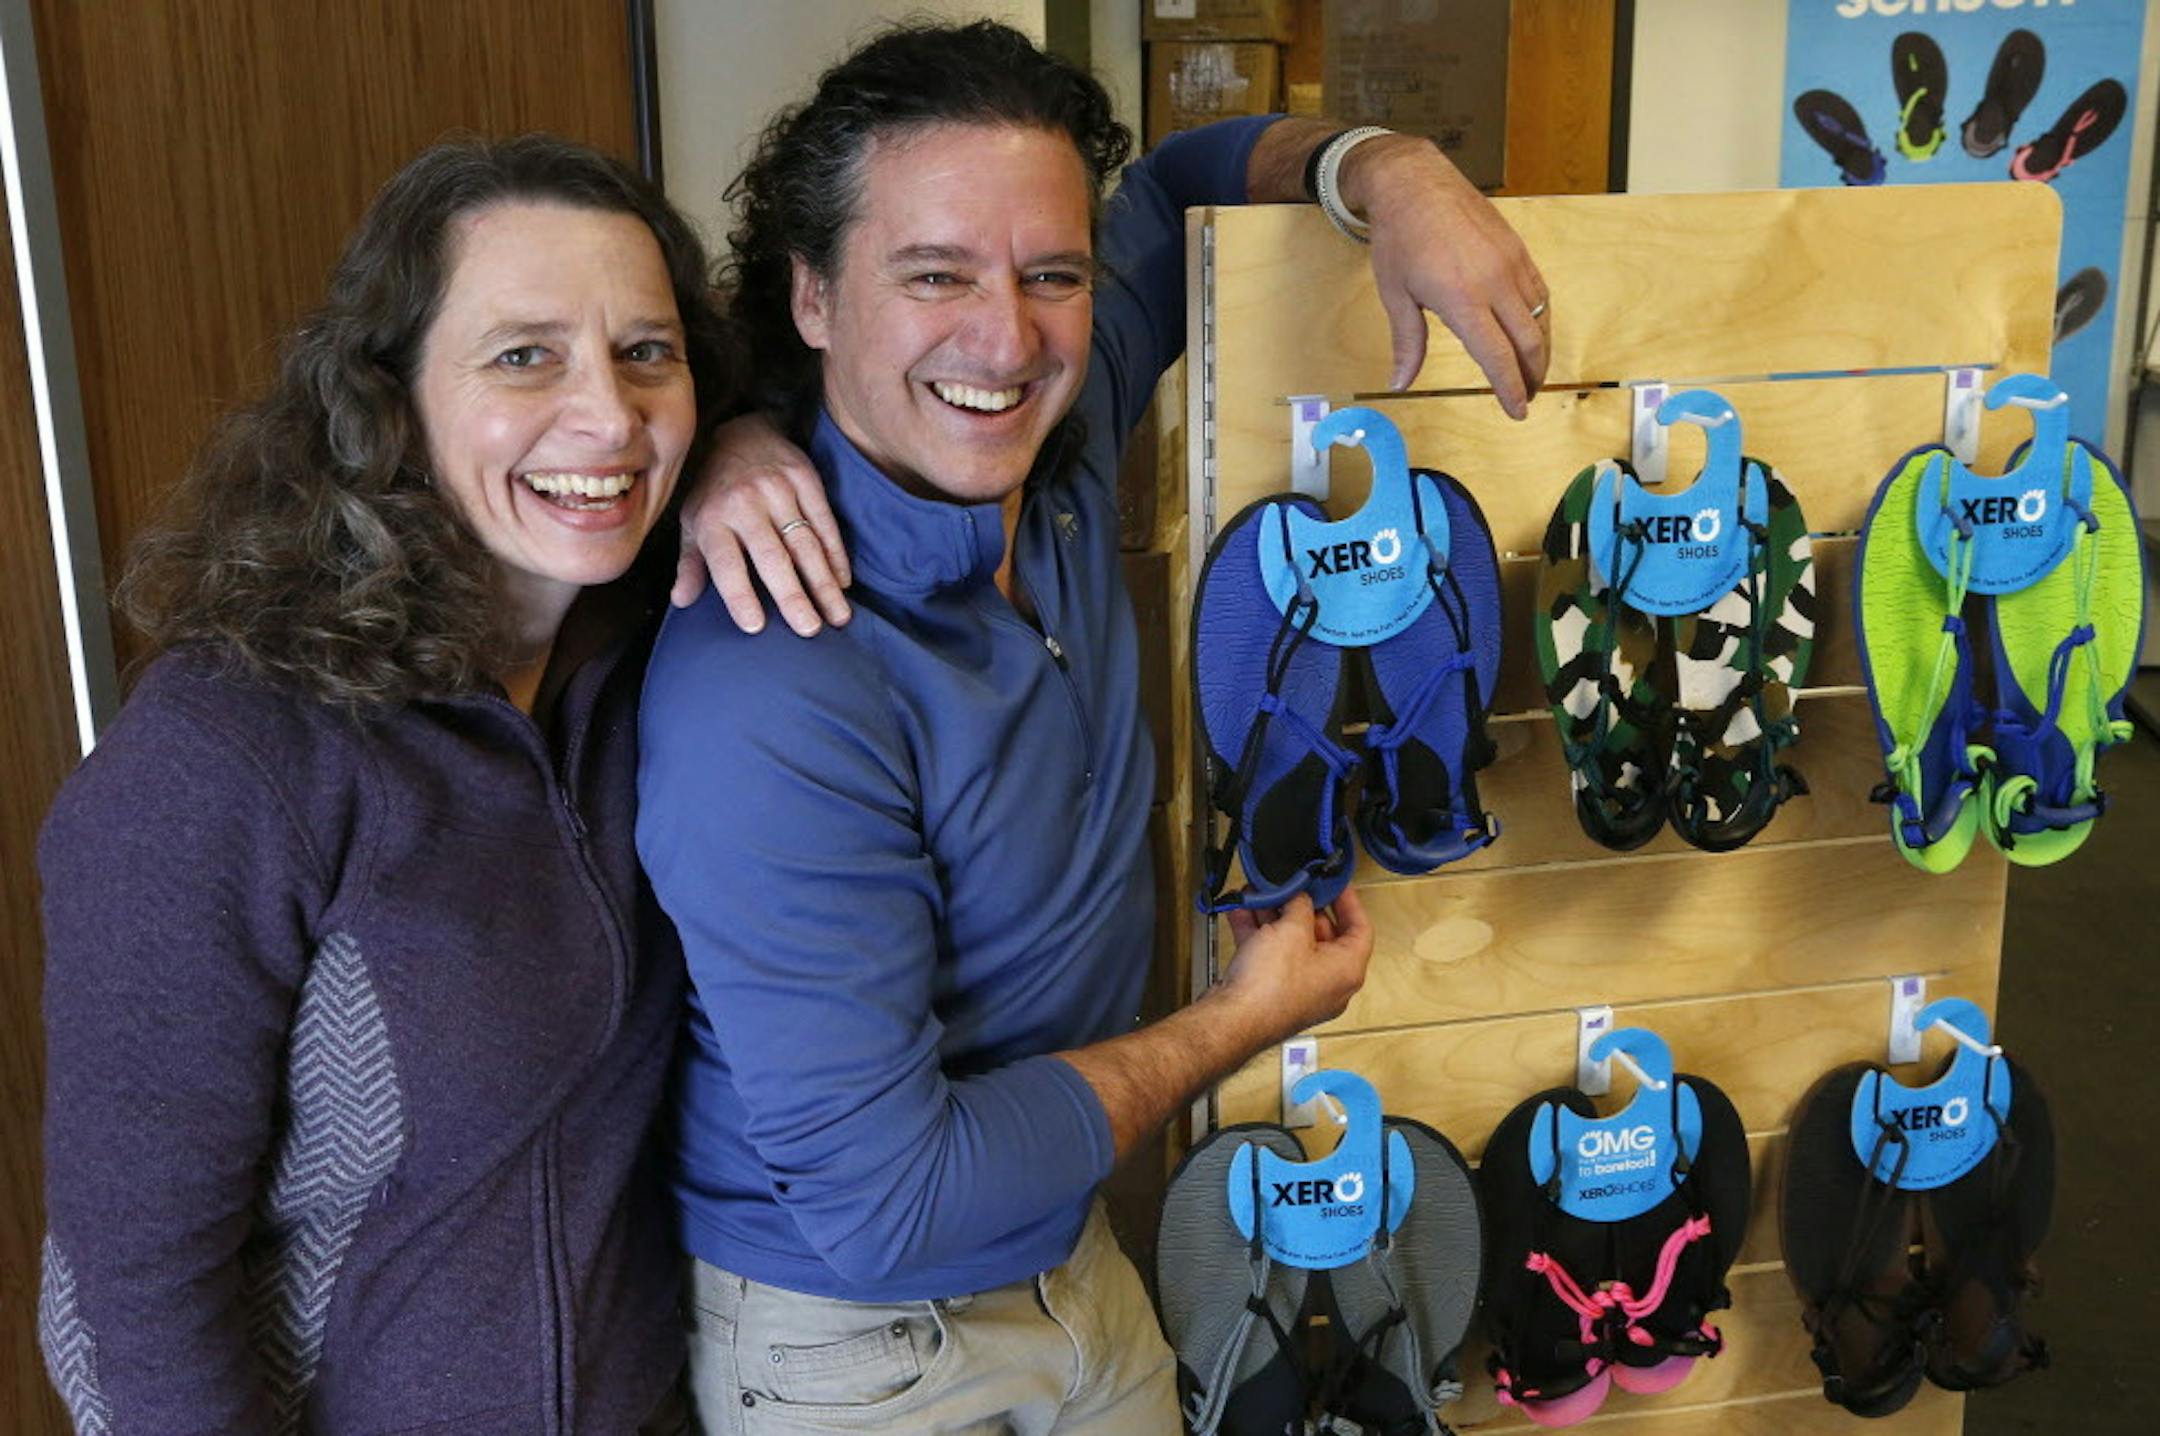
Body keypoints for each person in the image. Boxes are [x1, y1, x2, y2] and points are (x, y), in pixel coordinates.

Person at [635, 21, 1549, 1433]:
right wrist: (1234, 1027)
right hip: (853, 1343)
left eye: (1051, 272)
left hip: (1066, 1256)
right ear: (810, 297)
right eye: (933, 274)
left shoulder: (1051, 443)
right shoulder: (770, 680)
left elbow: (1188, 183)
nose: (1006, 336)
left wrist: (1392, 165)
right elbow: (893, 1207)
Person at [38, 134, 729, 1435]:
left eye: (649, 352)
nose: (608, 414)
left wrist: (752, 456)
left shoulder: (661, 656)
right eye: (524, 355)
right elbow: (127, 1287)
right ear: (391, 397)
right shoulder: (227, 757)